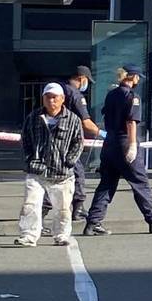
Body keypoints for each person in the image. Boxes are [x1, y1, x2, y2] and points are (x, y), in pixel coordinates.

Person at [84, 66, 152, 236]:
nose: (138, 80)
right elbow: (131, 122)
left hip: (109, 144)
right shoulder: (132, 97)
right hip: (124, 142)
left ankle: (92, 223)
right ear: (132, 77)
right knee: (140, 183)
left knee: (106, 184)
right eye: (137, 77)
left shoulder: (112, 94)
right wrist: (132, 145)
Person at [15, 83, 85, 247]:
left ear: (62, 99)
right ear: (43, 99)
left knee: (62, 208)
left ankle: (61, 235)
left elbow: (78, 143)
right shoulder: (33, 117)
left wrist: (69, 161)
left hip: (62, 174)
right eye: (48, 97)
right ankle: (28, 236)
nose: (51, 101)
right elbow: (25, 139)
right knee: (30, 204)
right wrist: (30, 159)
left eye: (54, 97)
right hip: (37, 172)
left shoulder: (73, 119)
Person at [47, 66, 101, 223]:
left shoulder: (58, 90)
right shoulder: (75, 95)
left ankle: (74, 209)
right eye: (86, 81)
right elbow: (86, 122)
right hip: (68, 142)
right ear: (81, 78)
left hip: (51, 141)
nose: (86, 85)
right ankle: (77, 209)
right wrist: (101, 133)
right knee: (77, 174)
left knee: (48, 177)